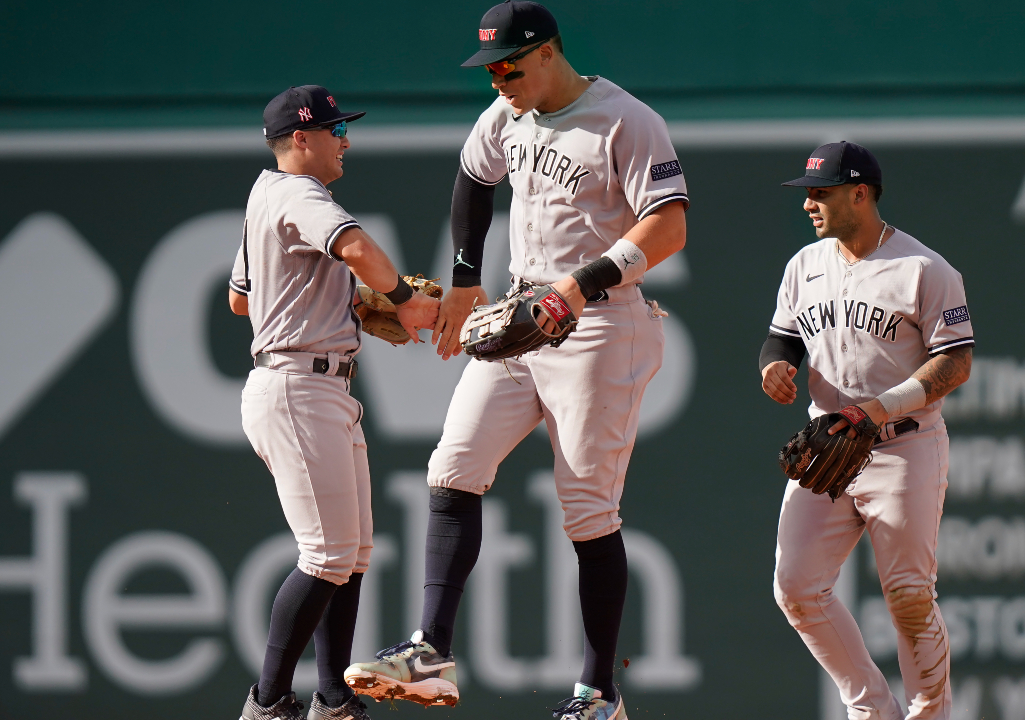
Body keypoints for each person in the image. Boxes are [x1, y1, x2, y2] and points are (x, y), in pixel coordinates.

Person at [344, 3, 688, 719]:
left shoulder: (625, 119)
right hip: (520, 314)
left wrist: (582, 283)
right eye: (490, 69)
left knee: (588, 508)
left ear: (550, 53)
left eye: (510, 64)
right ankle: (429, 651)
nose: (498, 79)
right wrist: (466, 279)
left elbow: (669, 224)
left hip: (600, 322)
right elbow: (473, 177)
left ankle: (598, 693)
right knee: (452, 466)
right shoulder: (507, 116)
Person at [229, 85, 440, 720]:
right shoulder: (299, 193)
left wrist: (327, 299)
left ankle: (331, 697)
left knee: (351, 554)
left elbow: (242, 300)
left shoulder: (264, 195)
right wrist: (401, 296)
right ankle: (267, 702)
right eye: (334, 130)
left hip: (315, 382)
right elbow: (352, 247)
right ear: (301, 138)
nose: (344, 139)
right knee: (325, 555)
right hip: (297, 384)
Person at [759, 142, 973, 719]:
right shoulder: (804, 265)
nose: (809, 203)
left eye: (820, 192)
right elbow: (783, 338)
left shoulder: (923, 269)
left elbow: (954, 363)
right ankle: (871, 709)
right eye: (807, 192)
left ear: (860, 192)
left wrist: (874, 410)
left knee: (907, 596)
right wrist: (774, 366)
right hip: (828, 441)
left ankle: (930, 713)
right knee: (796, 587)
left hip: (903, 446)